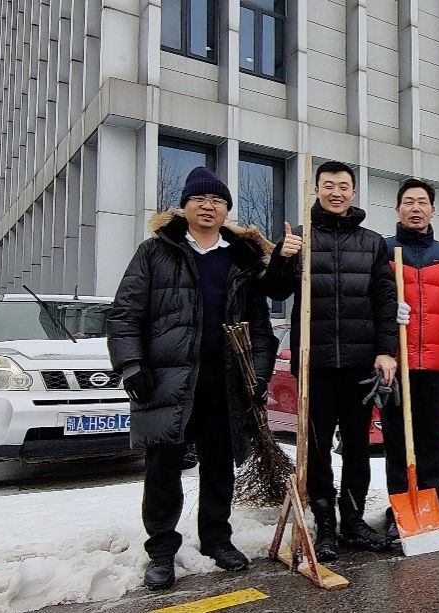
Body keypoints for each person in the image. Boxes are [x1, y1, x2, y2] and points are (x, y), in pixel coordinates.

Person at [106, 167, 278, 590]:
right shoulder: (155, 252)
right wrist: (131, 364)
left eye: (217, 201)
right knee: (163, 468)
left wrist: (257, 374)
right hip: (168, 378)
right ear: (183, 207)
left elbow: (260, 328)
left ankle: (217, 539)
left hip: (225, 379)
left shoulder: (240, 260)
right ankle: (161, 550)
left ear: (226, 211)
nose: (208, 206)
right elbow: (125, 313)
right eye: (199, 199)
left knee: (219, 465)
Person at [262, 160, 397, 559]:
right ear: (317, 189)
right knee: (318, 449)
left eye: (343, 186)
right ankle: (324, 526)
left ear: (353, 192)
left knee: (357, 447)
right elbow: (276, 291)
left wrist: (386, 350)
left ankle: (353, 522)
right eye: (328, 185)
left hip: (359, 363)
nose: (336, 192)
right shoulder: (300, 238)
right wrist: (282, 257)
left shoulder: (372, 243)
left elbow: (385, 300)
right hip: (314, 363)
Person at [382, 178, 439, 540]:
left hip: (434, 364)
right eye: (409, 202)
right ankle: (400, 507)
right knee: (397, 441)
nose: (415, 208)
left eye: (422, 202)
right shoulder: (384, 251)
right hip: (396, 363)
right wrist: (390, 313)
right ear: (398, 209)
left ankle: (431, 504)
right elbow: (372, 300)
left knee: (432, 441)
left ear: (433, 210)